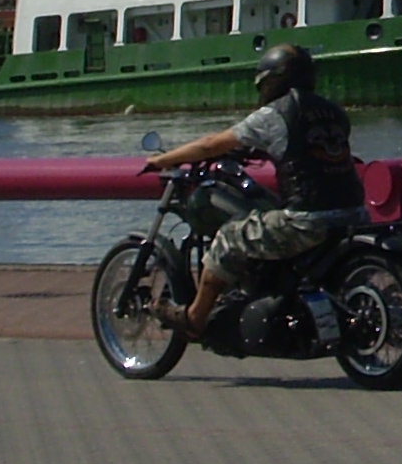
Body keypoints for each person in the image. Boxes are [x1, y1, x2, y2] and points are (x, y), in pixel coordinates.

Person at [141, 41, 361, 340]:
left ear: (273, 80)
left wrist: (161, 160)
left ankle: (194, 318)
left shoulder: (275, 114)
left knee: (230, 236)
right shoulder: (335, 112)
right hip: (355, 214)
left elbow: (210, 145)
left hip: (307, 221)